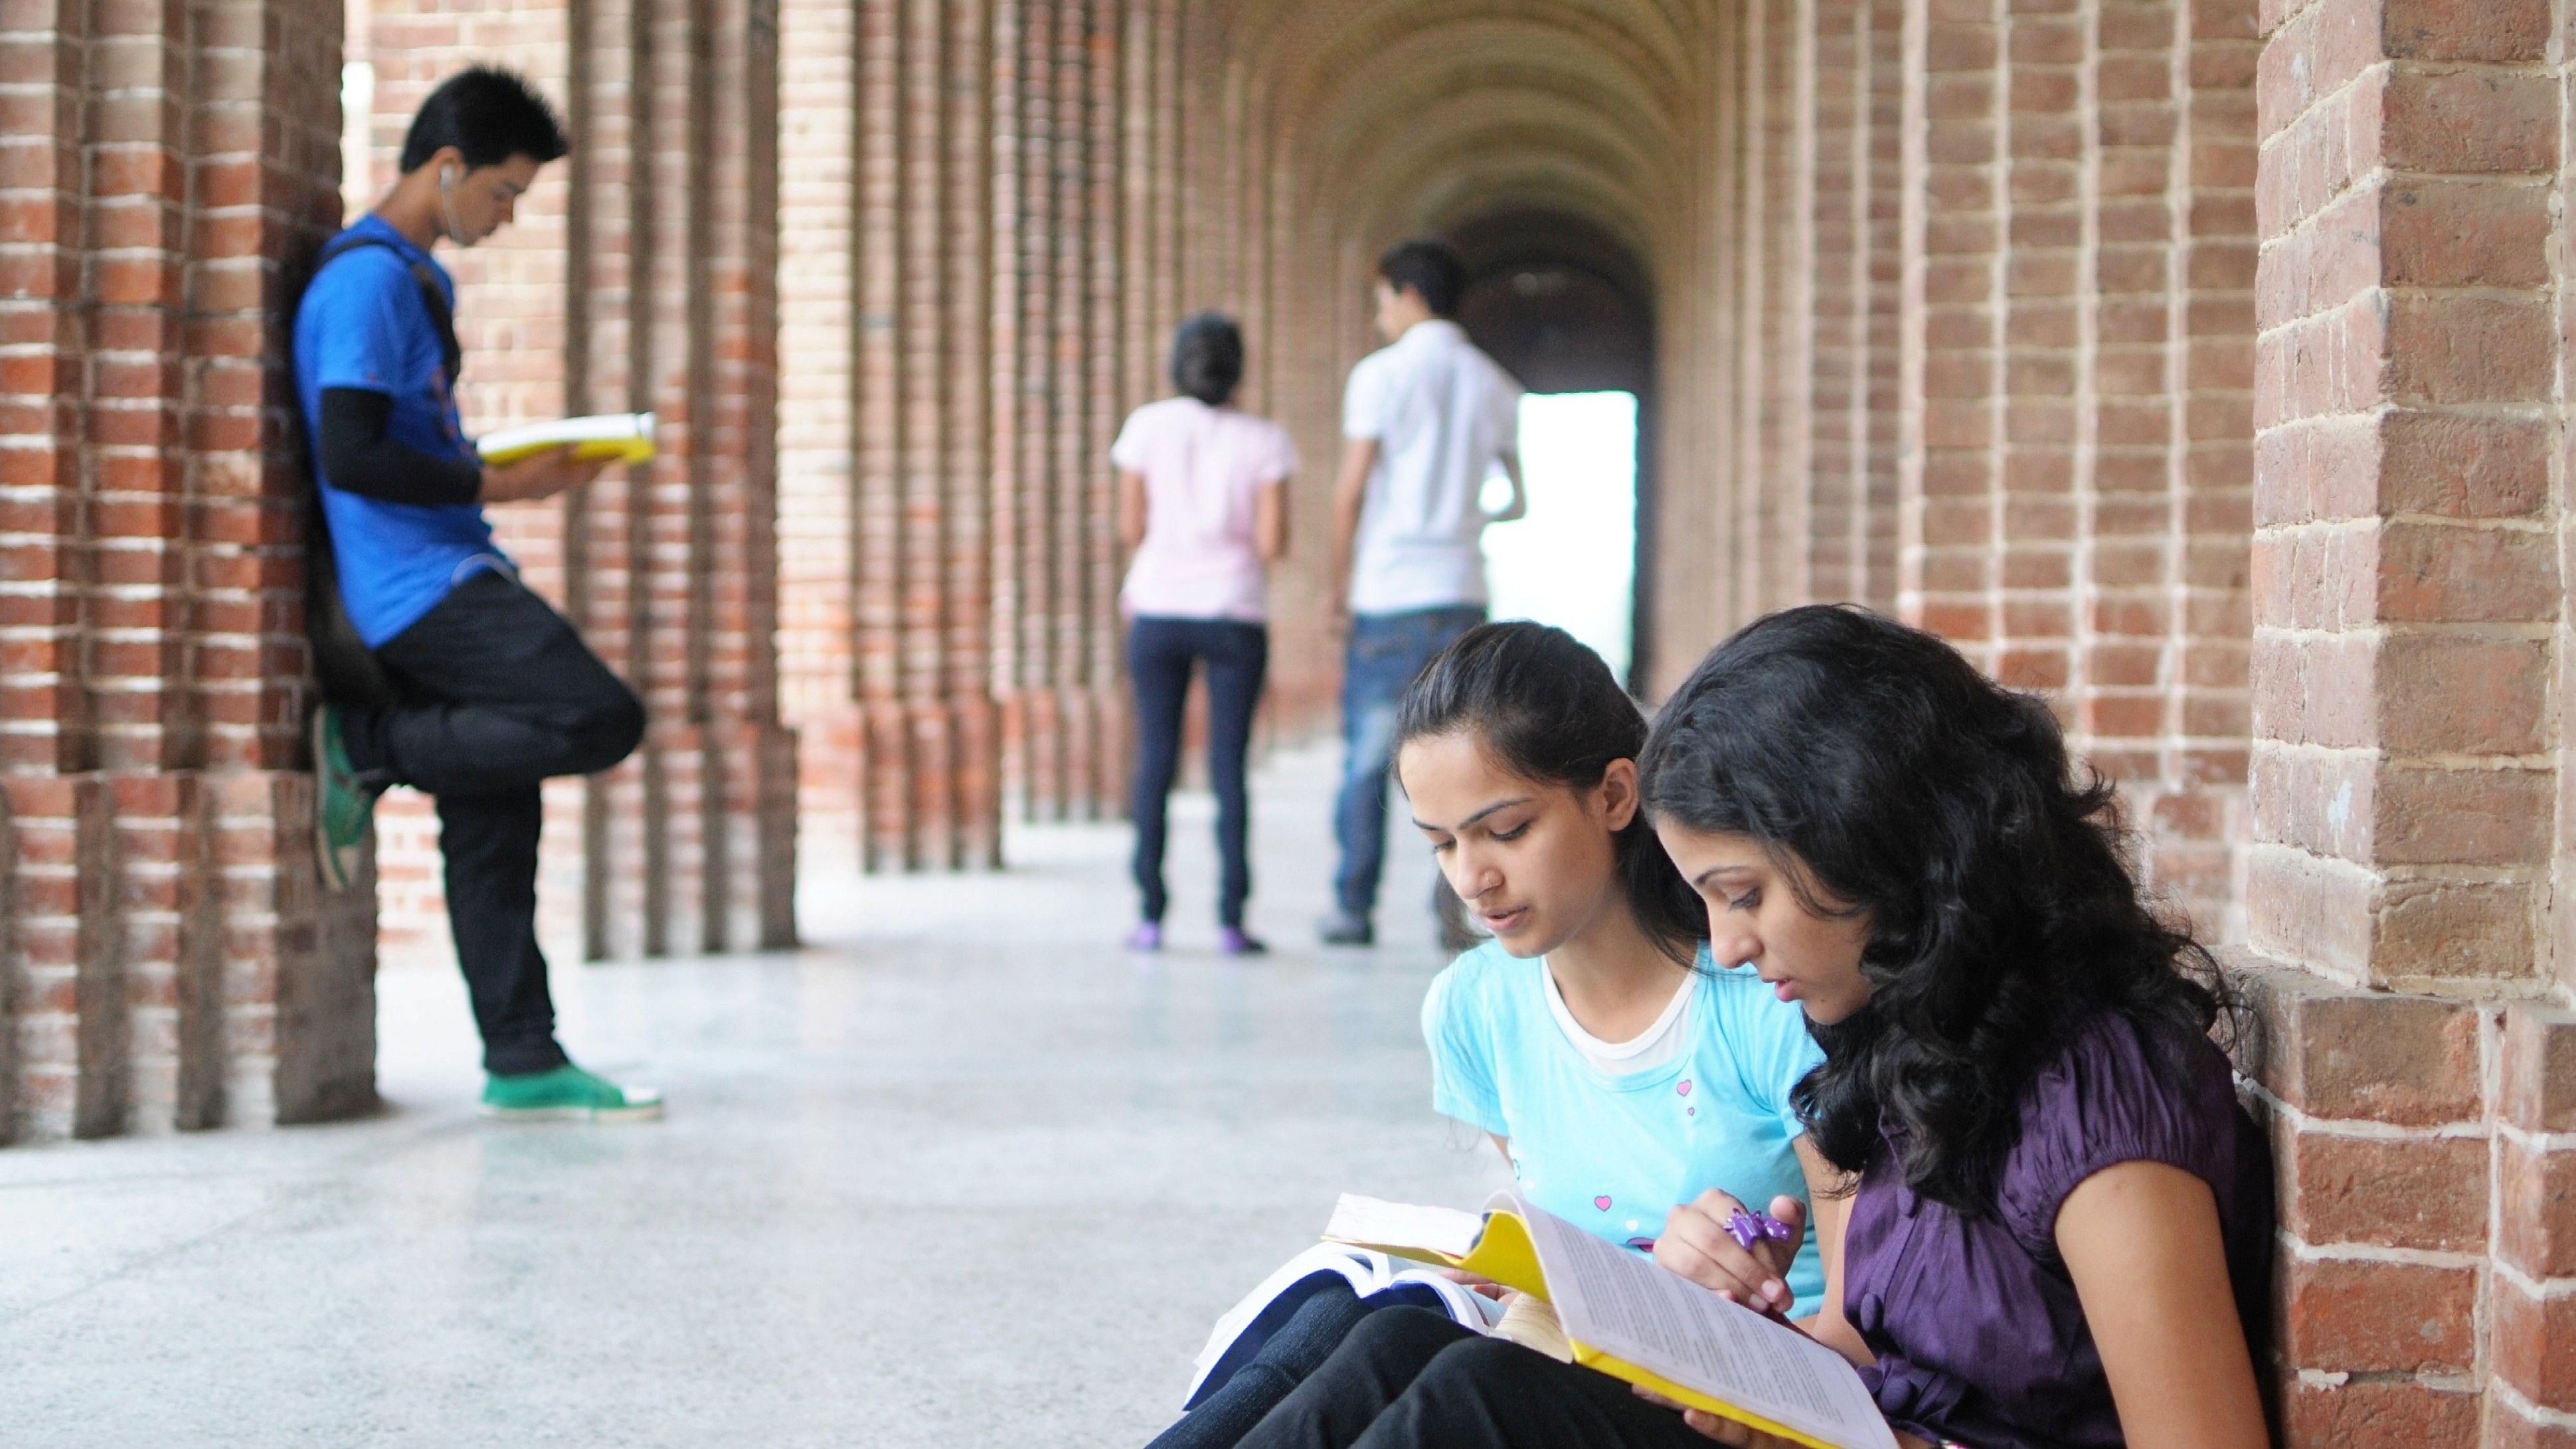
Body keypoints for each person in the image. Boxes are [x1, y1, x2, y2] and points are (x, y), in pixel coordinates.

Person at [1222, 606, 2274, 1449]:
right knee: (1401, 1343)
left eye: (1742, 894)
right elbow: (1872, 1345)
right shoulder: (1917, 1045)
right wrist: (1722, 1343)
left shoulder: (2099, 1106)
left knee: (1474, 1404)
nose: (1725, 947)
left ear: (1871, 845)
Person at [1147, 624, 1829, 1449]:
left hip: (1743, 1410)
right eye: (1442, 843)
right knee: (1378, 1330)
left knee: (1475, 1382)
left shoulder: (1767, 1002)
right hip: (1589, 1372)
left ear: (1616, 795)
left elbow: (1873, 1318)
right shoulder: (1477, 1007)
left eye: (1506, 830)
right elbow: (1572, 1246)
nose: (1474, 878)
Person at [296, 67, 659, 1122]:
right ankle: (368, 746)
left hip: (454, 559)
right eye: (502, 192)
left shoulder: (421, 281)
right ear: (445, 167)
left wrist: (516, 469)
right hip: (418, 586)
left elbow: (408, 439)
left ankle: (524, 1056)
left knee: (497, 817)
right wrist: (501, 480)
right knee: (595, 715)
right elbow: (353, 453)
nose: (507, 217)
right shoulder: (364, 282)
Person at [1318, 240, 1527, 950]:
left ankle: (1352, 905)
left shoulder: (1380, 376)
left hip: (1389, 589)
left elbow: (1350, 490)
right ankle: (1457, 912)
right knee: (1466, 763)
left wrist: (1335, 585)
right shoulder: (1495, 383)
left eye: (1382, 302)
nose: (1380, 318)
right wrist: (1468, 518)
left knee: (1367, 759)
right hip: (1461, 589)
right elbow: (1518, 499)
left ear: (1409, 296)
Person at [1113, 313, 1297, 955]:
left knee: (1155, 763)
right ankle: (1230, 920)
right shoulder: (1266, 440)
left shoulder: (1145, 427)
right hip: (1233, 612)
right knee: (1228, 770)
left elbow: (1130, 529)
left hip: (1158, 609)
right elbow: (1273, 542)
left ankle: (1150, 916)